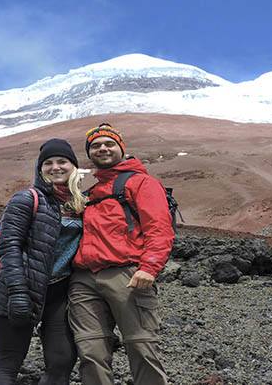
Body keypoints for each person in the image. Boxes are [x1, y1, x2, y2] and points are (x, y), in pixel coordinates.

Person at [68, 123, 174, 385]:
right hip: (83, 280)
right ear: (89, 154)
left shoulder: (142, 183)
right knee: (90, 352)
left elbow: (159, 227)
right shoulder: (89, 194)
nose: (102, 148)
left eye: (109, 144)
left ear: (121, 149)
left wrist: (149, 267)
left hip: (127, 275)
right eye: (95, 146)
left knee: (142, 347)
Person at [0, 138, 87, 385]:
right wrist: (18, 292)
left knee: (62, 361)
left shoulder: (80, 204)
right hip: (17, 291)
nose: (55, 167)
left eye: (62, 161)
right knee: (7, 364)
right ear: (40, 169)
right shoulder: (27, 198)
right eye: (48, 163)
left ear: (73, 166)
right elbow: (9, 246)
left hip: (57, 294)